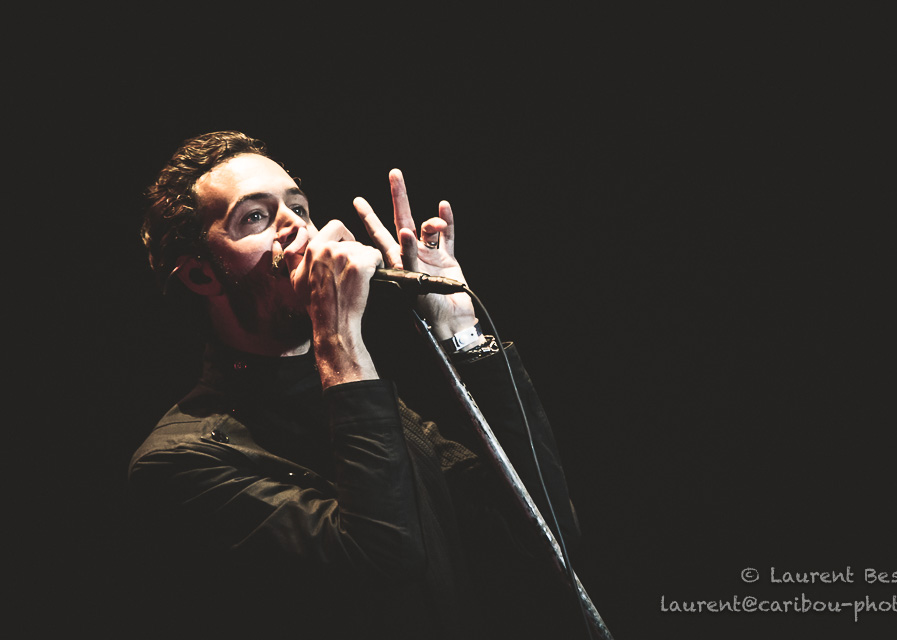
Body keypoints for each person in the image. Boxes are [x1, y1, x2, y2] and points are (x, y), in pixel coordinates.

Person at [127, 131, 586, 639]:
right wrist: (338, 335)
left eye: (299, 208)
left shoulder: (372, 404)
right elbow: (381, 559)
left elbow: (542, 531)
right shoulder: (181, 461)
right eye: (255, 217)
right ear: (201, 276)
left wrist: (461, 330)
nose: (297, 227)